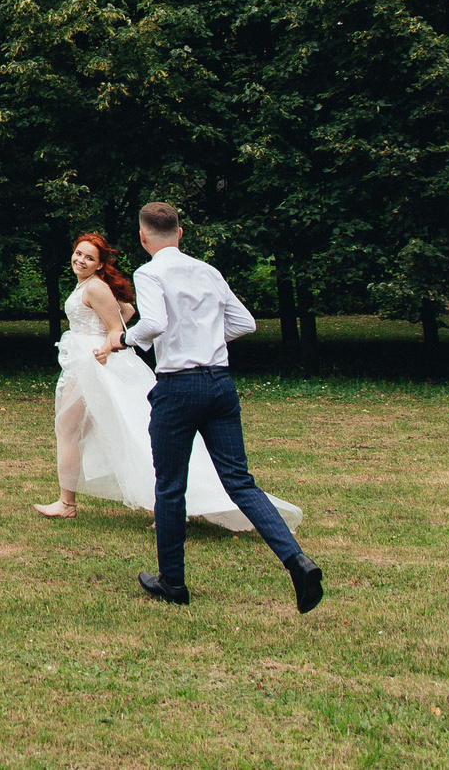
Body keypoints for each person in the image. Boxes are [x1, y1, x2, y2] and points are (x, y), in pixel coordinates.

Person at [98, 201, 324, 612]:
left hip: (178, 389)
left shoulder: (149, 272)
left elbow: (154, 324)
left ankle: (173, 583)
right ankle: (298, 561)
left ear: (144, 237)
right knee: (240, 481)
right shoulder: (208, 271)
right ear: (180, 233)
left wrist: (123, 339)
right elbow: (244, 323)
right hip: (219, 384)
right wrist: (206, 341)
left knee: (170, 485)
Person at [35, 233, 302, 537]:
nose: (80, 260)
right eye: (78, 254)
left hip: (96, 365)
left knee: (99, 431)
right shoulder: (89, 285)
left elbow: (116, 328)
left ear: (99, 266)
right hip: (85, 365)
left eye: (89, 258)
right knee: (82, 430)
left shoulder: (94, 287)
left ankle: (71, 502)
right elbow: (127, 311)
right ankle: (78, 500)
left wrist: (106, 348)